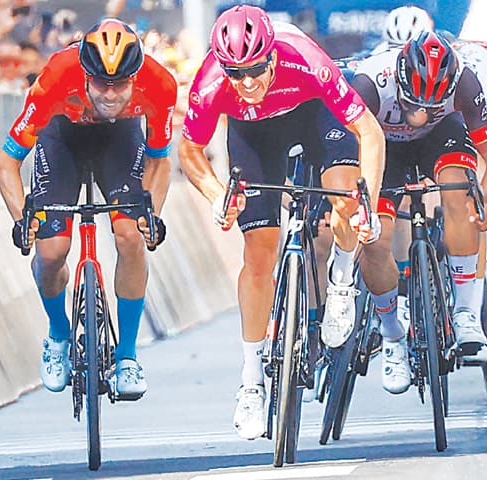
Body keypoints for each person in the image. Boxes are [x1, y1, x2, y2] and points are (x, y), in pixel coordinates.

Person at [177, 5, 384, 440]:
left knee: (344, 198)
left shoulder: (306, 60)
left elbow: (369, 131)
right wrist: (218, 197)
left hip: (315, 116)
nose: (248, 83)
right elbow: (190, 151)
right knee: (258, 254)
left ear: (272, 56)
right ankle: (251, 380)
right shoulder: (212, 81)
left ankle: (342, 279)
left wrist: (367, 200)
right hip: (254, 136)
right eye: (237, 73)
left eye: (255, 69)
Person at [0, 19, 177, 399]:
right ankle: (58, 334)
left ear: (136, 77)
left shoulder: (160, 84)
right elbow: (6, 163)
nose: (111, 95)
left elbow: (160, 161)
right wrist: (19, 220)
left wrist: (151, 214)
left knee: (130, 237)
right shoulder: (56, 75)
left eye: (121, 85)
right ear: (85, 75)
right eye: (101, 84)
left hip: (120, 139)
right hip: (63, 136)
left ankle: (127, 357)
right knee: (52, 251)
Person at [349, 31, 487, 394]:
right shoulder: (370, 83)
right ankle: (392, 336)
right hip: (383, 146)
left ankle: (467, 314)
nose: (420, 113)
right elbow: (348, 153)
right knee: (376, 239)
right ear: (400, 80)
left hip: (442, 139)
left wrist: (486, 201)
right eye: (413, 101)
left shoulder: (466, 83)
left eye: (432, 104)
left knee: (460, 194)